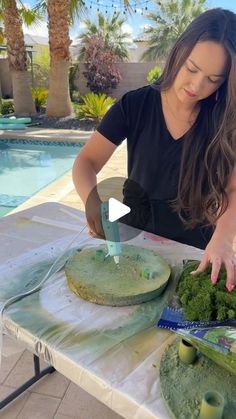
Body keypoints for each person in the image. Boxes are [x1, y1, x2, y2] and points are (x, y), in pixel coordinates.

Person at [72, 8, 236, 291]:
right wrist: (92, 203)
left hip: (194, 255)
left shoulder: (224, 120)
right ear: (179, 52)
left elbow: (232, 190)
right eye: (192, 69)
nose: (197, 86)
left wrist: (222, 239)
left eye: (213, 80)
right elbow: (86, 161)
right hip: (133, 245)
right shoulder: (134, 105)